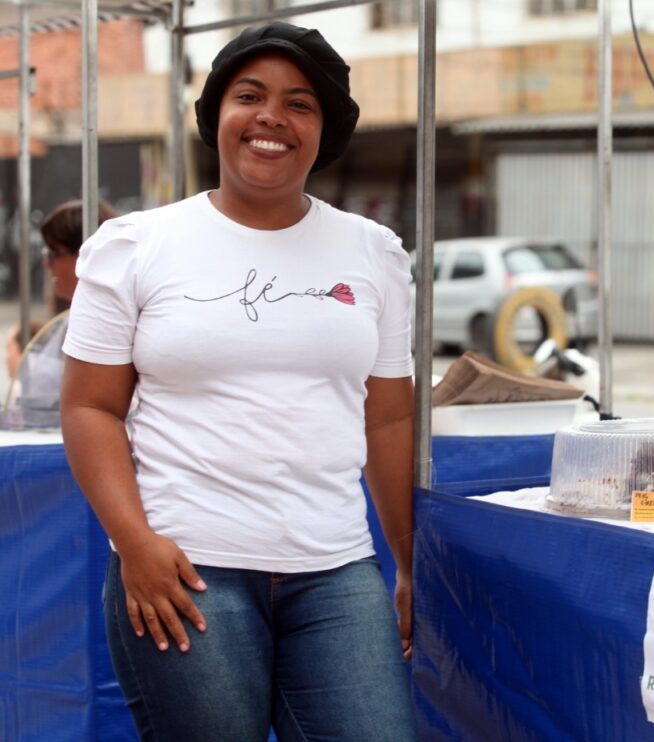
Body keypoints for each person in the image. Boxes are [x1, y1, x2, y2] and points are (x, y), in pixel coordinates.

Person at [60, 22, 416, 741]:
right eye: (249, 96)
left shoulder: (374, 253)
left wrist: (409, 566)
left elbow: (387, 419)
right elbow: (90, 407)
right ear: (215, 113)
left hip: (335, 570)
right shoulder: (135, 246)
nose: (271, 117)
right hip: (187, 568)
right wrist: (135, 543)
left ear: (325, 130)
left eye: (299, 104)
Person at [4, 199, 116, 397]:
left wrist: (18, 369)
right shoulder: (77, 315)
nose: (46, 264)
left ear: (84, 254)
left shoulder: (108, 323)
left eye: (53, 253)